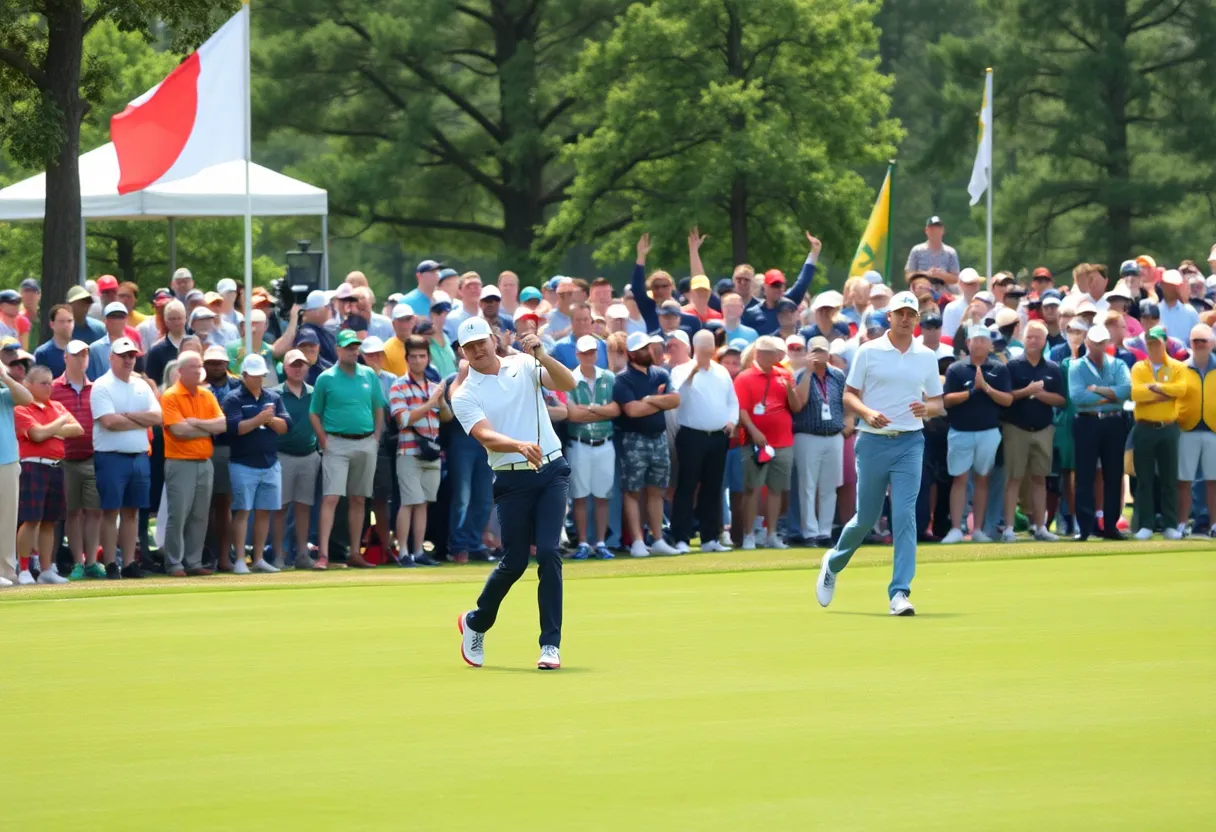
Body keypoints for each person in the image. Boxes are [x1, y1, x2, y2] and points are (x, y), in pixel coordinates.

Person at [450, 316, 576, 670]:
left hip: (551, 470)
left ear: (493, 339)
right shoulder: (465, 394)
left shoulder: (524, 363)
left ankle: (550, 645)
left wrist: (543, 354)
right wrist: (519, 445)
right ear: (463, 350)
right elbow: (485, 435)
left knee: (550, 552)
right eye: (470, 346)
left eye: (482, 342)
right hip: (511, 480)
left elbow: (568, 382)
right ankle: (476, 622)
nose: (477, 350)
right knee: (516, 561)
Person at [815, 291, 944, 616]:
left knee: (904, 516)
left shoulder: (927, 356)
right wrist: (868, 413)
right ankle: (833, 561)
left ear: (916, 319)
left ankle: (899, 593)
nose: (904, 318)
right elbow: (849, 396)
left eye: (910, 314)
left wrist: (925, 408)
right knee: (866, 518)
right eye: (899, 312)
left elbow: (938, 403)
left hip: (910, 443)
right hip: (872, 441)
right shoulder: (869, 351)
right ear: (889, 317)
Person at [309, 329, 387, 570]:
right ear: (338, 350)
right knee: (331, 497)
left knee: (359, 499)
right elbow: (314, 412)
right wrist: (323, 439)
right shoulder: (326, 378)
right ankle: (323, 554)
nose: (354, 350)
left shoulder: (369, 375)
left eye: (356, 346)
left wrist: (375, 438)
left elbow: (378, 408)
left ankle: (355, 553)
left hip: (365, 442)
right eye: (349, 347)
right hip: (337, 442)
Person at [91, 338, 161, 578]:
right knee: (110, 511)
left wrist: (128, 416)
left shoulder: (142, 385)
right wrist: (140, 419)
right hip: (110, 457)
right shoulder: (102, 385)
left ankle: (130, 562)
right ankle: (111, 562)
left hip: (139, 456)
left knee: (132, 512)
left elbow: (157, 418)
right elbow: (109, 422)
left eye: (132, 356)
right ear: (111, 358)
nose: (129, 360)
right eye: (124, 356)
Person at [940, 326, 1013, 543]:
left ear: (989, 344)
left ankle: (978, 530)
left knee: (982, 479)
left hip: (989, 432)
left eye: (983, 340)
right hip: (960, 431)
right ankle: (955, 529)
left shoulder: (999, 369)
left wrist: (986, 388)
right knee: (960, 479)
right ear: (968, 343)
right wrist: (972, 391)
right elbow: (947, 400)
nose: (979, 343)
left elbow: (1007, 400)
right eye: (975, 340)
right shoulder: (956, 369)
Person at [613, 331, 681, 557]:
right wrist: (660, 403)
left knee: (656, 490)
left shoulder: (660, 374)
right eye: (643, 349)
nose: (648, 352)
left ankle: (658, 539)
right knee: (632, 491)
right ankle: (638, 542)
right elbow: (632, 410)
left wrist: (651, 400)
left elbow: (675, 399)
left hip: (659, 438)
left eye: (649, 347)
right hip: (633, 440)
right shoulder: (623, 379)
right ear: (632, 354)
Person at [668, 330, 737, 553]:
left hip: (717, 436)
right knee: (686, 487)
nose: (708, 352)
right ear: (695, 348)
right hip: (691, 435)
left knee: (713, 488)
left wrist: (732, 421)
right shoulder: (681, 371)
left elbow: (732, 401)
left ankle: (710, 538)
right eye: (704, 348)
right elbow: (679, 398)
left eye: (711, 348)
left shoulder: (722, 372)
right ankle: (681, 537)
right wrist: (693, 374)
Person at [13, 365, 82, 584]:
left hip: (56, 466)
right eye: (43, 383)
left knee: (50, 521)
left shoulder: (57, 406)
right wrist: (59, 424)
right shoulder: (22, 408)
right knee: (31, 519)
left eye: (50, 383)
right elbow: (36, 434)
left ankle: (45, 570)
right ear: (29, 385)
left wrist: (48, 429)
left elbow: (78, 429)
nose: (49, 387)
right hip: (33, 466)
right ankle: (24, 568)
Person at [159, 352, 226, 576]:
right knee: (178, 515)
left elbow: (222, 425)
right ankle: (174, 563)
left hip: (204, 462)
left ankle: (194, 561)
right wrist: (206, 428)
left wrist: (196, 423)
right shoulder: (171, 396)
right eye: (193, 367)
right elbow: (178, 431)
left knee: (200, 514)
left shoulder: (207, 395)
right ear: (181, 371)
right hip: (180, 462)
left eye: (200, 367)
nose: (198, 371)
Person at [224, 354, 291, 573]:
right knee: (242, 511)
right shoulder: (233, 398)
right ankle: (241, 559)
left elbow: (284, 427)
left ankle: (259, 558)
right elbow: (236, 428)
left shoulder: (273, 397)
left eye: (261, 376)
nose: (258, 380)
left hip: (270, 463)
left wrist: (268, 419)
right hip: (243, 463)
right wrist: (259, 420)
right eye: (253, 376)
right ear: (243, 376)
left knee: (264, 511)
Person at [388, 335, 451, 567]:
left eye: (421, 356)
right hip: (408, 452)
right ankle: (403, 552)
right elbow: (402, 419)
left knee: (423, 502)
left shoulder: (434, 387)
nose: (417, 360)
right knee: (409, 502)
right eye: (413, 356)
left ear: (428, 358)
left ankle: (418, 552)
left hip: (431, 453)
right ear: (406, 359)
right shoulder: (398, 386)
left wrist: (441, 403)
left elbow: (446, 417)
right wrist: (429, 404)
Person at [1001, 321, 1066, 541]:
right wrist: (1027, 390)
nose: (1033, 341)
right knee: (1014, 478)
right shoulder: (1013, 366)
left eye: (1037, 337)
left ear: (1044, 341)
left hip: (1043, 429)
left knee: (1040, 478)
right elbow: (1006, 397)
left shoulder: (1052, 369)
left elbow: (1061, 400)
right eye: (1029, 337)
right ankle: (1009, 529)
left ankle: (1040, 527)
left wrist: (1039, 395)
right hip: (1015, 428)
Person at [1069, 323, 1132, 541]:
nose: (1098, 347)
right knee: (1084, 476)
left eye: (1102, 343)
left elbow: (1125, 391)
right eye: (1094, 343)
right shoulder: (1076, 367)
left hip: (1114, 423)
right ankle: (1085, 528)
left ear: (1107, 343)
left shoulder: (1119, 364)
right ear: (1087, 342)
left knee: (1113, 475)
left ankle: (1111, 527)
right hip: (1086, 422)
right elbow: (1077, 397)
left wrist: (1096, 391)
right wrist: (1110, 396)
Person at [734, 336, 798, 549]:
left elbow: (795, 406)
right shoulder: (744, 378)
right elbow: (742, 410)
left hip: (783, 441)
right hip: (754, 442)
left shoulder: (784, 375)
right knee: (752, 488)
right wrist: (754, 432)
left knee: (776, 489)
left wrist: (790, 385)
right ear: (760, 354)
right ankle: (749, 534)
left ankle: (771, 534)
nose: (778, 357)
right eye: (773, 353)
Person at [52, 341, 106, 579]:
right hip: (64, 459)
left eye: (84, 354)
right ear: (66, 358)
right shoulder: (53, 388)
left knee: (94, 512)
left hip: (92, 457)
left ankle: (92, 561)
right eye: (76, 355)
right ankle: (77, 562)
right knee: (72, 512)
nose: (81, 359)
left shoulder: (97, 388)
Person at [564, 335, 620, 559]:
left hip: (605, 443)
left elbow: (616, 409)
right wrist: (601, 410)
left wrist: (589, 410)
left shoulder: (609, 377)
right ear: (577, 354)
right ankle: (584, 543)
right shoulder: (569, 378)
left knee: (602, 495)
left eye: (592, 352)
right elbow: (573, 415)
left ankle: (600, 542)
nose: (589, 356)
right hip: (579, 443)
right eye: (585, 353)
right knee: (579, 496)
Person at [1128, 326, 1186, 540]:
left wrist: (1154, 388)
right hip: (1144, 427)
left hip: (1169, 427)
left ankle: (1170, 524)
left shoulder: (1178, 367)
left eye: (1157, 343)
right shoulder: (1139, 368)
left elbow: (1181, 390)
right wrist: (1164, 391)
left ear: (1165, 344)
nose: (1153, 347)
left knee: (1169, 478)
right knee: (1144, 479)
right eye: (1150, 343)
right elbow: (1136, 393)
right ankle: (1146, 524)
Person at [791, 336, 847, 547]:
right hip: (807, 436)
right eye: (814, 351)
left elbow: (844, 402)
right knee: (807, 486)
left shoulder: (838, 376)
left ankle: (825, 532)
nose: (818, 355)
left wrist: (847, 423)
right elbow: (799, 404)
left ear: (829, 353)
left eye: (822, 351)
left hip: (833, 436)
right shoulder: (799, 375)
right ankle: (809, 533)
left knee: (829, 487)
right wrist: (807, 371)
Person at [271, 349, 322, 568]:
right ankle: (279, 556)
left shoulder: (314, 392)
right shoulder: (275, 394)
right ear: (284, 368)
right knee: (280, 508)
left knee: (304, 506)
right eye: (293, 364)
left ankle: (302, 554)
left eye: (302, 364)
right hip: (282, 456)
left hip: (309, 455)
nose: (298, 368)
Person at [741, 234, 822, 336]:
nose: (779, 289)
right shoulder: (751, 313)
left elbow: (803, 281)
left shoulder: (789, 302)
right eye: (774, 285)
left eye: (781, 285)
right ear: (765, 287)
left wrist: (814, 254)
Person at [1178, 324, 1216, 537]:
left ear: (1212, 343)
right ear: (1190, 343)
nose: (1200, 345)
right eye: (1196, 341)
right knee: (1184, 480)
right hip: (1187, 428)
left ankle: (1214, 524)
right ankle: (1182, 524)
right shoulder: (1180, 369)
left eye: (1204, 340)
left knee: (1213, 480)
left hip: (1213, 429)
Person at [0, 358, 33, 586]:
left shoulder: (4, 391)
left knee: (7, 518)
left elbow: (27, 398)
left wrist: (4, 376)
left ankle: (6, 570)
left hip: (7, 460)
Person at [144, 300, 188, 388]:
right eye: (172, 319)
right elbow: (151, 381)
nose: (176, 322)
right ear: (165, 320)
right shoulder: (156, 350)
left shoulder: (194, 344)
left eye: (179, 318)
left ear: (185, 319)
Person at [904, 216, 960, 284]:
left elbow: (955, 279)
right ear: (926, 231)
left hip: (944, 292)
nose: (935, 231)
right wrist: (925, 274)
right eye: (932, 229)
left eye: (938, 228)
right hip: (921, 291)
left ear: (943, 231)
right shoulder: (917, 250)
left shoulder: (950, 252)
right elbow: (908, 276)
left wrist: (942, 275)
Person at [33, 303, 74, 378]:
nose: (66, 325)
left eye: (69, 321)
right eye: (61, 321)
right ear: (52, 324)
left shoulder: (80, 351)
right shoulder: (43, 353)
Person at [383, 303, 416, 377]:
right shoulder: (386, 350)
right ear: (393, 324)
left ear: (414, 320)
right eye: (400, 320)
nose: (404, 325)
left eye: (407, 319)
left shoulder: (421, 345)